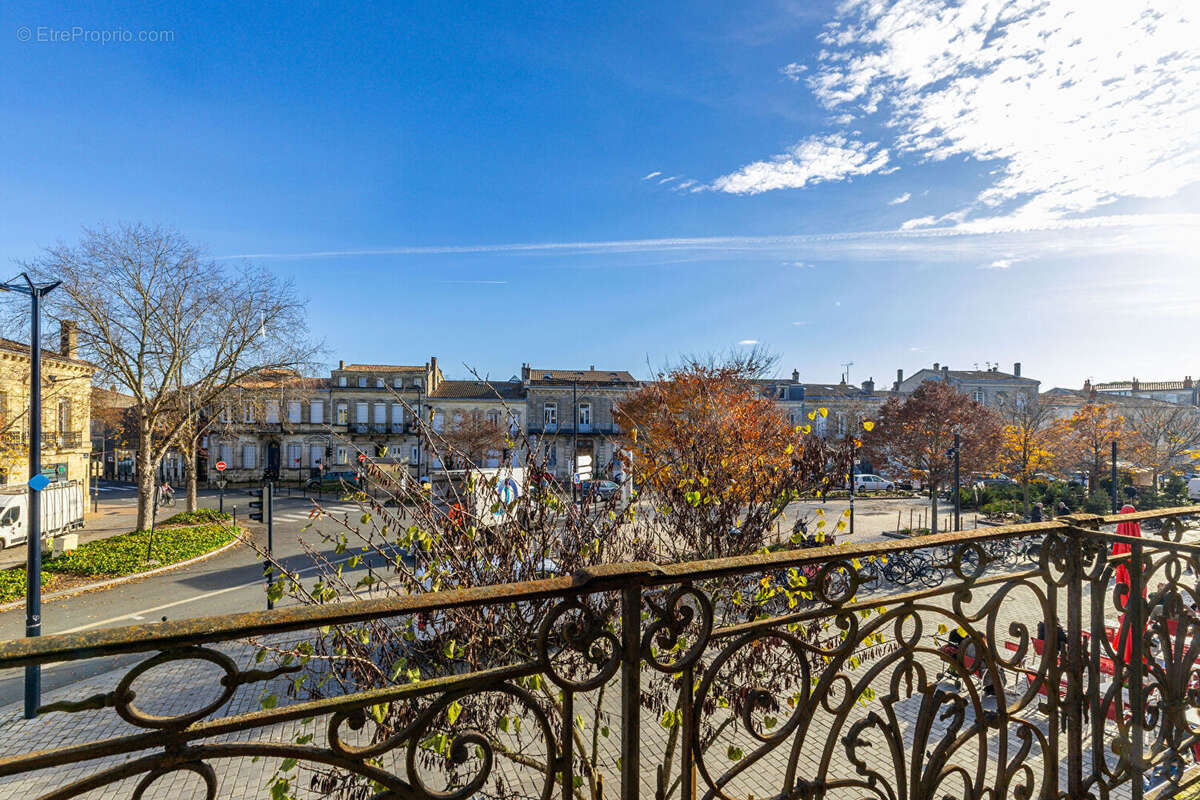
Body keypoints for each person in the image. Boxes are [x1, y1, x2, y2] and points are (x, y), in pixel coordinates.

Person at [1112, 504, 1144, 664]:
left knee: (1129, 614)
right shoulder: (1135, 531)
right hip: (1134, 579)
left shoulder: (1121, 532)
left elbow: (1116, 554)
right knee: (1134, 614)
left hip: (1124, 579)